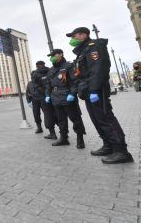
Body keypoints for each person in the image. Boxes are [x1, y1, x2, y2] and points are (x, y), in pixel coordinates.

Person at [69, 27, 133, 163]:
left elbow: (98, 69)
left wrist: (93, 90)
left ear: (84, 35)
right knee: (96, 120)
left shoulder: (94, 47)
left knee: (106, 119)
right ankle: (108, 145)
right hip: (88, 91)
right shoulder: (83, 51)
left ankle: (121, 151)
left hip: (96, 91)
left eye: (74, 36)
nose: (72, 39)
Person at [45, 49, 86, 149]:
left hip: (67, 96)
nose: (52, 57)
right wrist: (47, 95)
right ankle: (64, 138)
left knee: (75, 118)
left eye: (54, 55)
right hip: (55, 97)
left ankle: (80, 138)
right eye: (51, 56)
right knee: (61, 119)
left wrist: (72, 93)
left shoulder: (69, 66)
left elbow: (75, 81)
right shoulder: (51, 70)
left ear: (61, 54)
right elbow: (48, 84)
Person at [26, 61, 58, 139]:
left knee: (48, 115)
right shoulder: (30, 83)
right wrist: (28, 101)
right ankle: (39, 127)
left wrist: (46, 94)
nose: (32, 76)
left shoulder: (45, 75)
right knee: (36, 115)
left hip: (44, 98)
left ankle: (52, 132)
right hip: (35, 100)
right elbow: (28, 92)